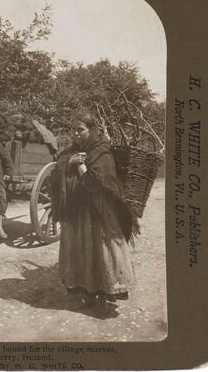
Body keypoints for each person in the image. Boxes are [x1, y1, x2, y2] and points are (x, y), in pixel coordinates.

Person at [51, 110, 137, 316]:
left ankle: (104, 295)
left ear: (92, 130)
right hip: (77, 211)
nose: (75, 134)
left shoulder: (102, 152)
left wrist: (81, 166)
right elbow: (57, 170)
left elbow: (97, 182)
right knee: (81, 251)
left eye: (80, 130)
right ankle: (86, 292)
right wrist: (70, 162)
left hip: (98, 212)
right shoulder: (70, 151)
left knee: (101, 250)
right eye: (73, 130)